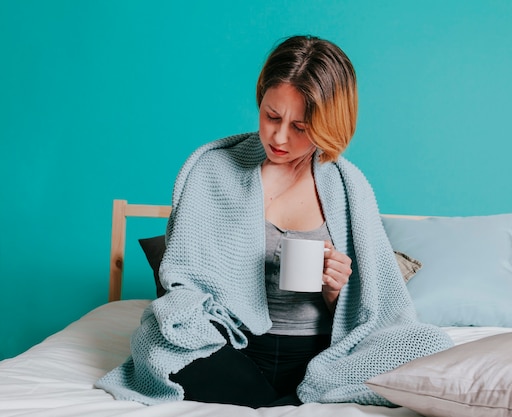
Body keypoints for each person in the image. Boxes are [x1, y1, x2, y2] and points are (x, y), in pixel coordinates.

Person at [96, 35, 453, 408]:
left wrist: (334, 290)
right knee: (157, 333)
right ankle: (290, 405)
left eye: (300, 127)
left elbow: (375, 313)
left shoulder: (350, 186)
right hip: (230, 346)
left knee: (429, 343)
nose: (279, 137)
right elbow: (184, 283)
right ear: (260, 99)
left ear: (329, 124)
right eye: (272, 116)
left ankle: (279, 399)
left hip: (320, 355)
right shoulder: (212, 170)